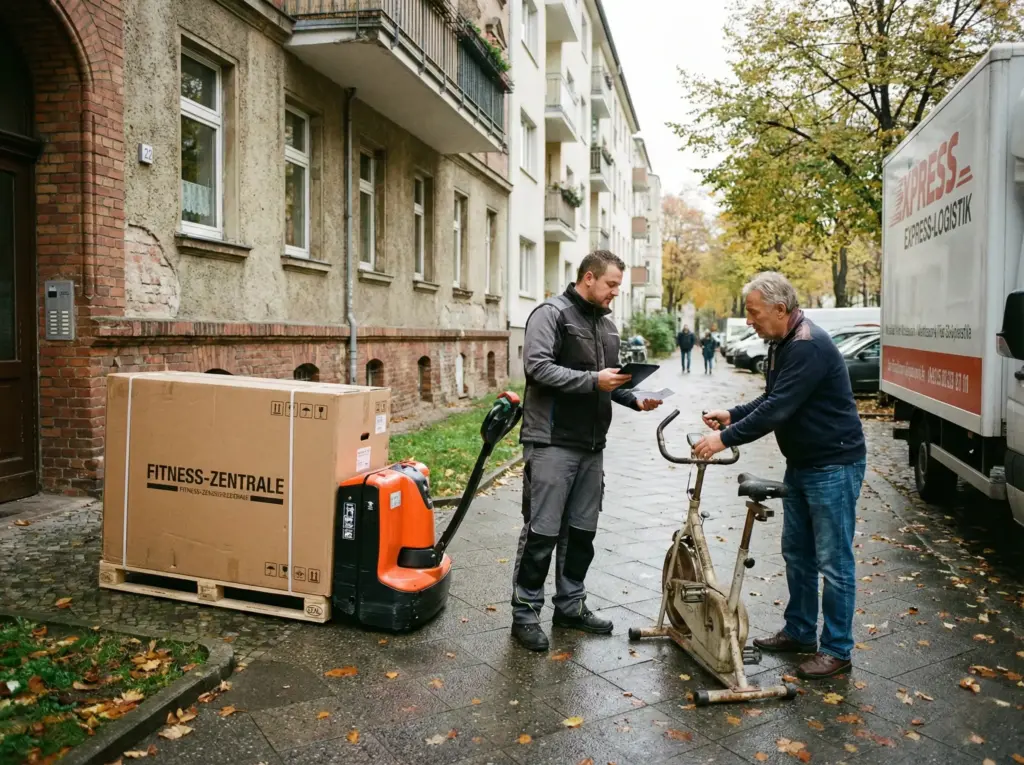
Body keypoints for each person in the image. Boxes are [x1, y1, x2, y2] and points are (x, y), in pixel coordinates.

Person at [693, 271, 866, 679]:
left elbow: (779, 409)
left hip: (833, 465)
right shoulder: (782, 342)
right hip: (805, 464)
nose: (749, 320)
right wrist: (734, 414)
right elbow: (772, 396)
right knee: (797, 553)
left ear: (780, 309)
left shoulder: (807, 346)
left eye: (754, 313)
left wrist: (725, 439)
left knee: (833, 562)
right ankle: (801, 631)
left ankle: (838, 650)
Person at [512, 250, 662, 652]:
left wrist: (635, 398)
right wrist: (593, 380)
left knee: (582, 534)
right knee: (541, 533)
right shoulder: (551, 314)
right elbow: (537, 368)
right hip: (552, 443)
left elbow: (610, 383)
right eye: (612, 285)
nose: (616, 292)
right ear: (589, 278)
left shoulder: (608, 328)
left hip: (592, 446)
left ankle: (570, 606)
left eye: (618, 286)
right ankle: (525, 614)